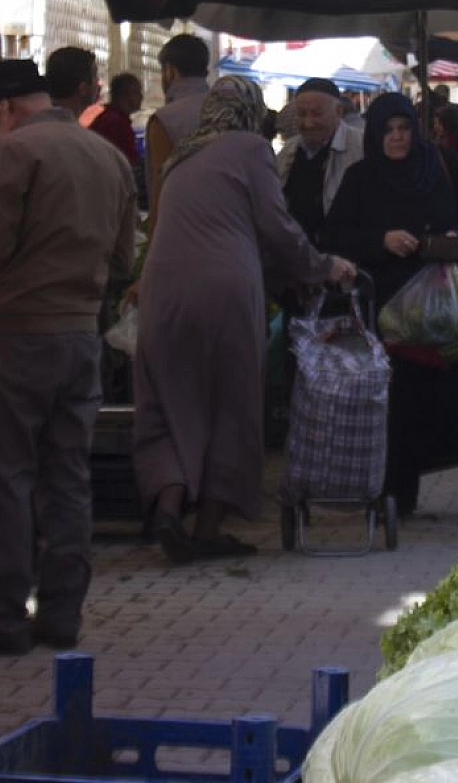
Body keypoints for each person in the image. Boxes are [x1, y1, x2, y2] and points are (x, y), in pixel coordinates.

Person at [0, 58, 137, 655]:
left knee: (6, 478)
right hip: (80, 338)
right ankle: (61, 615)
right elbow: (123, 260)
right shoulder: (110, 157)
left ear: (2, 110)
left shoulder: (16, 154)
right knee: (68, 477)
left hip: (19, 334)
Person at [133, 77, 356, 563]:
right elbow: (276, 227)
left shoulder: (181, 155)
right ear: (253, 111)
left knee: (169, 402)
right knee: (232, 403)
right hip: (224, 291)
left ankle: (169, 510)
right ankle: (209, 527)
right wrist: (322, 266)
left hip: (160, 292)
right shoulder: (251, 148)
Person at [325, 93, 458, 513]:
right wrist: (380, 240)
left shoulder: (441, 164)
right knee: (400, 404)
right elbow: (334, 236)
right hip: (391, 312)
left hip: (449, 306)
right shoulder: (362, 178)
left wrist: (455, 235)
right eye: (388, 130)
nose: (398, 138)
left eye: (404, 129)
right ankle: (398, 495)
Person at [275, 77, 363, 248]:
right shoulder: (288, 151)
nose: (308, 123)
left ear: (338, 111)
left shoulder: (361, 148)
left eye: (317, 114)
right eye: (302, 114)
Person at [144, 33, 212, 218]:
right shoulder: (231, 110)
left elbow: (160, 190)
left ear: (170, 71)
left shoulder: (165, 120)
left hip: (181, 229)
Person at [88, 71, 144, 172]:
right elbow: (127, 163)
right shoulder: (117, 124)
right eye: (137, 92)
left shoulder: (106, 118)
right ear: (124, 96)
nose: (141, 97)